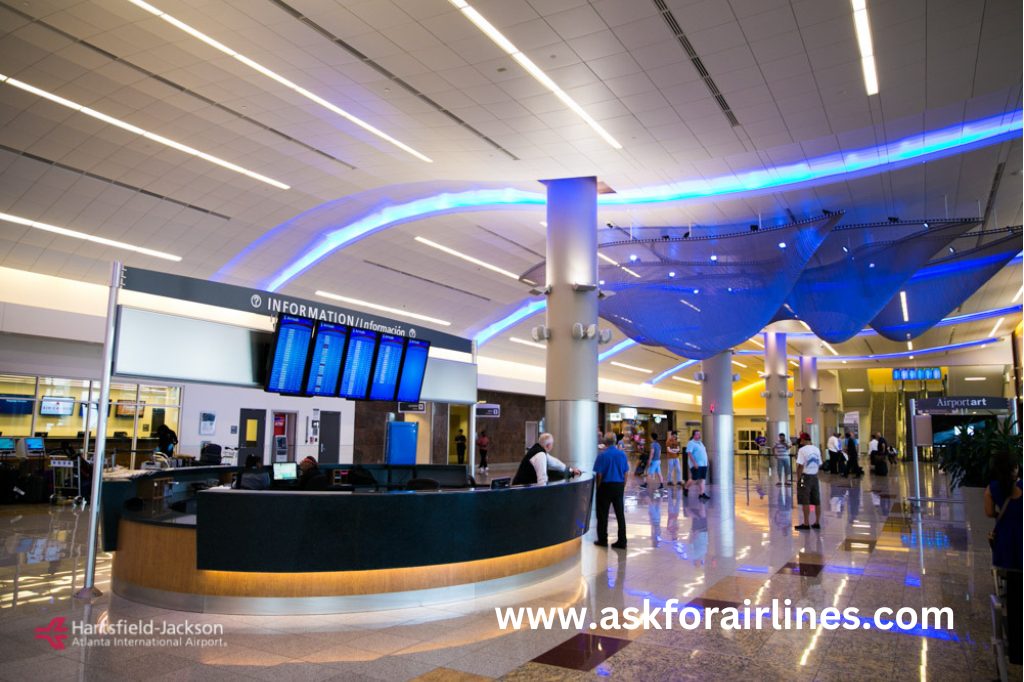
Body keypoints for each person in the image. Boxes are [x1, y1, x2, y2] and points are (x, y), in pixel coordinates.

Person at [985, 451, 1022, 665]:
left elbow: (989, 513)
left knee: (1014, 597)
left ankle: (1016, 649)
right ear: (1016, 466)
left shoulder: (992, 490)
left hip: (1007, 548)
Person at [593, 432, 629, 549]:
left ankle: (603, 539)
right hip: (618, 486)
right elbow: (626, 473)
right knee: (620, 514)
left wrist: (598, 487)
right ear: (615, 442)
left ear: (605, 442)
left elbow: (599, 474)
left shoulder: (602, 455)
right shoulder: (622, 455)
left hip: (605, 486)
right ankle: (622, 540)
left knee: (603, 514)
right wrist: (622, 486)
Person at [512, 433, 580, 486]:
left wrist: (570, 470)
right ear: (548, 445)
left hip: (523, 485)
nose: (552, 445)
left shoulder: (538, 449)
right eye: (552, 444)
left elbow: (555, 463)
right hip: (521, 489)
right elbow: (542, 478)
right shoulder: (540, 455)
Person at [794, 432, 822, 531]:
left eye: (801, 440)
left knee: (805, 499)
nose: (800, 442)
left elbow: (800, 466)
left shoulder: (802, 450)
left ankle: (806, 523)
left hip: (805, 477)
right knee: (816, 500)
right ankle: (817, 522)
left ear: (803, 440)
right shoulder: (816, 449)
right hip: (814, 476)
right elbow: (819, 464)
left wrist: (798, 479)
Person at [684, 430, 709, 500]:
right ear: (694, 435)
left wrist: (707, 461)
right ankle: (686, 488)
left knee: (702, 478)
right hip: (697, 464)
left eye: (699, 434)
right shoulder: (691, 443)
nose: (699, 435)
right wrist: (694, 462)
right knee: (694, 478)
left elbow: (704, 452)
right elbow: (689, 453)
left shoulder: (700, 443)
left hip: (703, 464)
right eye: (697, 434)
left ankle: (702, 493)